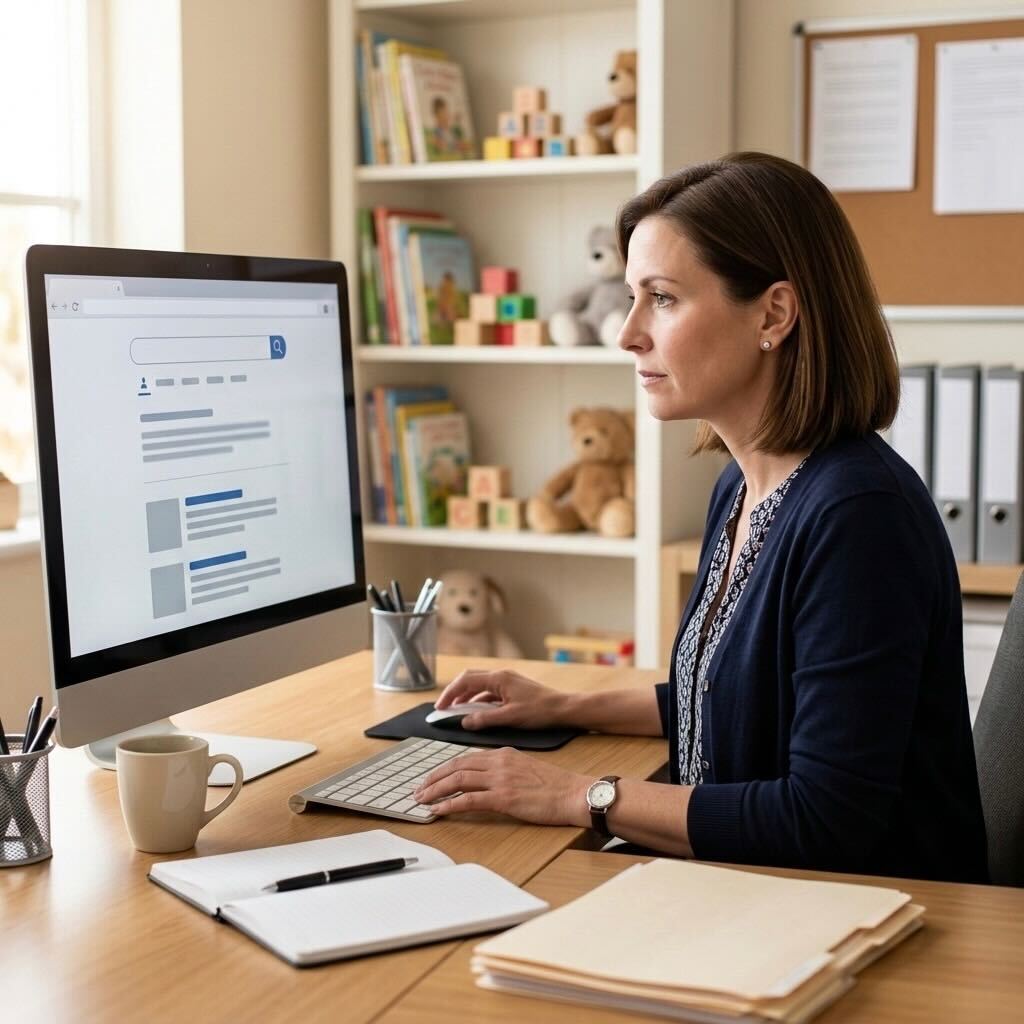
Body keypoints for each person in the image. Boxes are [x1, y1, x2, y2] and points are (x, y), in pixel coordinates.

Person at [413, 152, 988, 884]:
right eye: (630, 297)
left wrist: (575, 796)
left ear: (773, 314)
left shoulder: (858, 516)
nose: (626, 334)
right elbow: (732, 691)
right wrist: (563, 704)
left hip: (870, 921)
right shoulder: (742, 484)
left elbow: (826, 819)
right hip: (755, 888)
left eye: (663, 298)